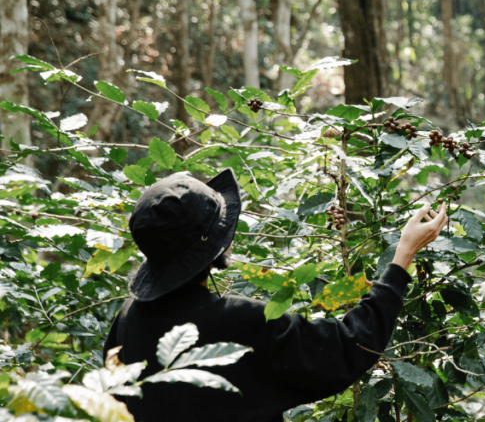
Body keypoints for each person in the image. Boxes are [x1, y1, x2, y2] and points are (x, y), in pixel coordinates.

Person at [103, 168, 447, 422]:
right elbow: (347, 348)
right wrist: (403, 256)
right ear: (215, 249)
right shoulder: (242, 321)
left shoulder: (127, 320)